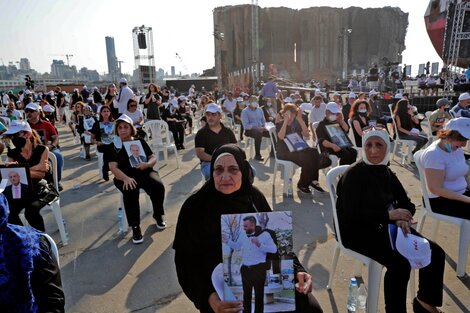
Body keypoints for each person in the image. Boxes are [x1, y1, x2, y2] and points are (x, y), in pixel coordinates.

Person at [174, 144, 323, 313]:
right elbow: (185, 264)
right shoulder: (194, 206)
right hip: (216, 292)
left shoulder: (254, 197)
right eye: (218, 170)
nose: (225, 176)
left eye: (233, 170)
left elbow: (279, 246)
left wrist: (298, 270)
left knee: (310, 308)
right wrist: (209, 298)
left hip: (261, 272)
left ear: (243, 172)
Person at [336, 126, 445, 313]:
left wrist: (402, 217)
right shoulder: (353, 175)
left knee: (435, 252)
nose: (373, 150)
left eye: (379, 144)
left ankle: (425, 303)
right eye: (369, 145)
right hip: (356, 231)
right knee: (400, 265)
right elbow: (351, 214)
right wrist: (388, 216)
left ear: (387, 147)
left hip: (387, 226)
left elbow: (407, 203)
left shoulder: (386, 171)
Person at [0, 193, 65, 312]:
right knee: (14, 211)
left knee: (32, 210)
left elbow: (53, 301)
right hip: (16, 192)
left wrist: (30, 175)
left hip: (35, 191)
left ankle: (39, 228)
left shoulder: (34, 244)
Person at [108, 114, 166, 244]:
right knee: (130, 190)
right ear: (117, 130)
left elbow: (153, 157)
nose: (123, 130)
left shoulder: (140, 141)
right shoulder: (114, 146)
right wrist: (125, 178)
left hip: (144, 171)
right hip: (124, 176)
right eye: (120, 127)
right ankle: (135, 226)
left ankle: (158, 214)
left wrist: (148, 164)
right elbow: (113, 167)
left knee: (158, 186)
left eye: (126, 127)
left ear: (131, 128)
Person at [223, 215, 277, 313]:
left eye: (246, 226)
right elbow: (237, 246)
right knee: (246, 296)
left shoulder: (265, 235)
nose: (243, 228)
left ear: (252, 225)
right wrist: (227, 241)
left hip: (259, 269)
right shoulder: (243, 235)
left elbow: (274, 249)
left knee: (259, 295)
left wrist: (260, 245)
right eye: (243, 226)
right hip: (245, 270)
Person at [419, 117, 470, 220]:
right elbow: (435, 189)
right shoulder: (434, 154)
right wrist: (468, 199)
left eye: (466, 140)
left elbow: (463, 175)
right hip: (439, 200)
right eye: (461, 139)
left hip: (460, 193)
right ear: (448, 135)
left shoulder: (456, 149)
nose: (464, 144)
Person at [4, 121, 50, 231]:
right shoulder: (12, 153)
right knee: (7, 211)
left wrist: (19, 170)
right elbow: (11, 176)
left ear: (27, 134)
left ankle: (41, 241)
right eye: (11, 136)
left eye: (16, 135)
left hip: (41, 189)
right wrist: (31, 170)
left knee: (31, 211)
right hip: (21, 190)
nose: (13, 138)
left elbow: (42, 173)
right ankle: (22, 237)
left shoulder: (42, 149)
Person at [276, 103, 325, 194]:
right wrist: (286, 121)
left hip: (297, 149)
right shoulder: (280, 123)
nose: (292, 115)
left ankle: (312, 181)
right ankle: (303, 184)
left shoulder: (297, 123)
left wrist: (300, 120)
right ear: (284, 113)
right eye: (290, 113)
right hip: (285, 152)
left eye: (294, 113)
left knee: (314, 152)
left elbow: (306, 135)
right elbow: (281, 136)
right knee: (308, 159)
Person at [25, 102, 64, 189]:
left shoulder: (47, 124)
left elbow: (55, 137)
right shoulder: (24, 126)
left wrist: (52, 146)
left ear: (38, 112)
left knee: (58, 156)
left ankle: (57, 180)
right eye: (27, 111)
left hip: (48, 148)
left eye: (31, 111)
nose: (28, 113)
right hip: (29, 150)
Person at [195, 103, 237, 180]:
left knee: (250, 171)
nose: (210, 117)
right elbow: (200, 153)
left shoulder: (227, 131)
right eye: (208, 115)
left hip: (228, 161)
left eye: (213, 115)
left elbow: (235, 147)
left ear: (220, 116)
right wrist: (217, 159)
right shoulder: (201, 133)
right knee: (212, 174)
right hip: (209, 162)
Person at [91, 105, 114, 181]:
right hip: (102, 145)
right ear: (100, 113)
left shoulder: (114, 123)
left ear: (110, 113)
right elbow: (92, 139)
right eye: (104, 111)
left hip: (112, 144)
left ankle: (107, 168)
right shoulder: (97, 124)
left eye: (108, 111)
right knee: (108, 150)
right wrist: (97, 142)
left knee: (116, 150)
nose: (106, 113)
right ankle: (106, 169)